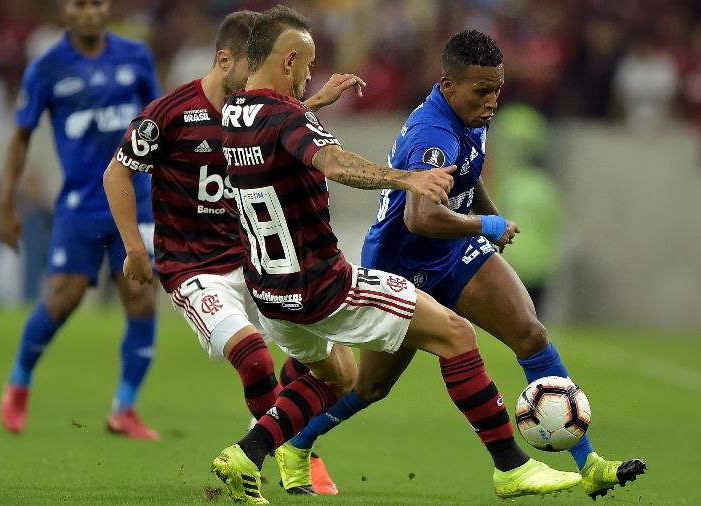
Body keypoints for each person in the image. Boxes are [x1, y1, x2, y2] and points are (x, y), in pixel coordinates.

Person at [208, 7, 581, 504]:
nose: (309, 77)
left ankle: (247, 453)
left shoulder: (236, 112)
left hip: (268, 291)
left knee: (337, 376)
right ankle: (511, 467)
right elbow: (334, 162)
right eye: (307, 67)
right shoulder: (294, 118)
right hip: (322, 283)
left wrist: (314, 103)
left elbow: (276, 123)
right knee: (455, 334)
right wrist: (405, 177)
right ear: (290, 59)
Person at [354, 30, 644, 498]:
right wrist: (483, 226)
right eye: (482, 91)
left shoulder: (471, 113)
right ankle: (296, 443)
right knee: (370, 388)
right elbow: (422, 215)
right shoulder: (434, 134)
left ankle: (588, 463)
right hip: (401, 267)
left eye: (497, 90)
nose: (492, 102)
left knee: (530, 333)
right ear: (448, 86)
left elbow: (467, 178)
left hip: (453, 254)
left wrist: (484, 214)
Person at [104, 10, 365, 495]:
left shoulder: (253, 112)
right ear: (225, 60)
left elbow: (284, 130)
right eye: (253, 67)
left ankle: (281, 444)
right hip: (192, 269)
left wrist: (314, 104)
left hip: (253, 262)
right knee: (254, 360)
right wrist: (134, 248)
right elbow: (118, 172)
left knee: (328, 361)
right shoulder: (171, 114)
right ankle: (267, 459)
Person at [0, 0, 160, 439]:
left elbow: (161, 124)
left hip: (136, 199)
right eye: (80, 4)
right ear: (65, 11)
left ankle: (124, 407)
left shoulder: (135, 55)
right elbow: (19, 139)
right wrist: (6, 203)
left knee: (142, 299)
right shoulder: (46, 67)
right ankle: (19, 381)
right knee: (63, 298)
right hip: (80, 204)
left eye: (98, 3)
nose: (90, 11)